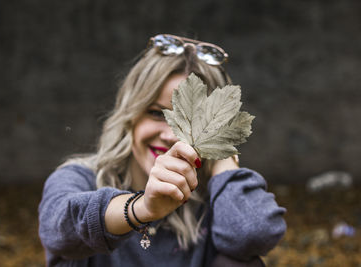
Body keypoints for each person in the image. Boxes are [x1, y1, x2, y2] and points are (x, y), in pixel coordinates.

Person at [38, 34, 286, 267]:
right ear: (130, 114)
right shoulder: (81, 177)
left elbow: (253, 234)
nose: (169, 135)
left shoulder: (218, 196)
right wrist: (142, 208)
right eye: (156, 113)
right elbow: (57, 228)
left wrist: (223, 160)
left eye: (191, 121)